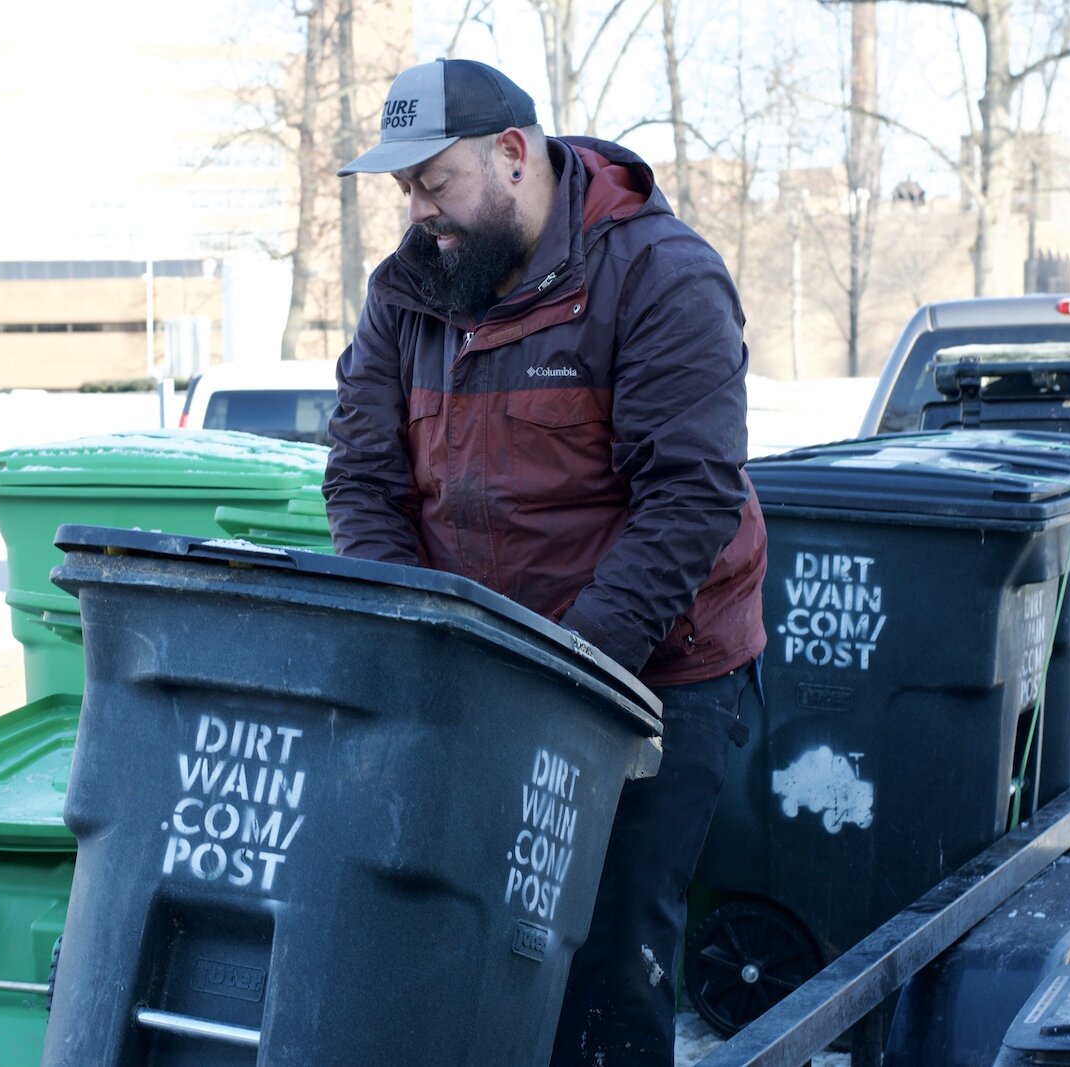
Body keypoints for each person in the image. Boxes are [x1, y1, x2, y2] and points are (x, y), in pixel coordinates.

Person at [321, 57, 767, 1065]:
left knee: (603, 964)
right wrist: (419, 633)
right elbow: (361, 476)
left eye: (432, 180)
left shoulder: (660, 278)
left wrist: (560, 684)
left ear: (513, 154)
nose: (416, 209)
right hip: (478, 680)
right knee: (471, 943)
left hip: (647, 679)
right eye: (402, 188)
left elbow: (687, 500)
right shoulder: (407, 291)